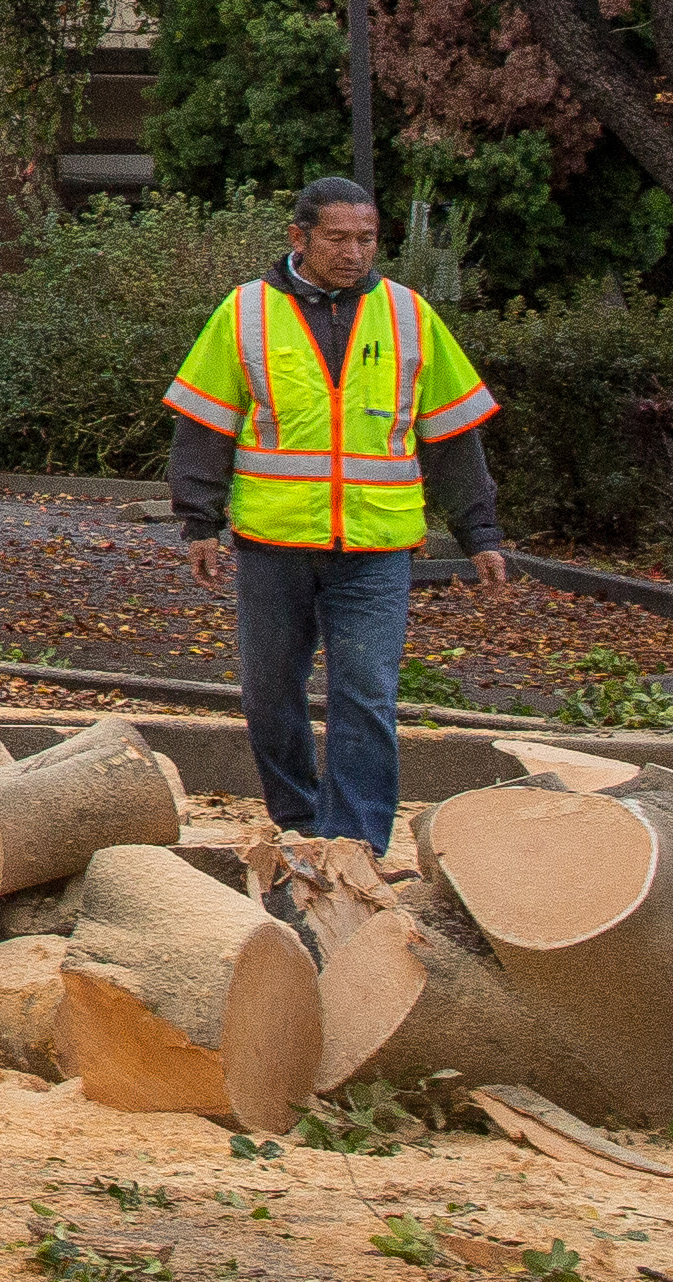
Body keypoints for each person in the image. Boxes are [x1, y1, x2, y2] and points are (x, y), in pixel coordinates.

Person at [165, 176, 508, 855]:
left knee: (366, 695)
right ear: (299, 238)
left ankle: (354, 845)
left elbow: (451, 436)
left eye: (366, 239)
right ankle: (297, 821)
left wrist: (480, 533)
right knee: (269, 696)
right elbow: (203, 427)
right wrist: (199, 523)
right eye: (337, 239)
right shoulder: (245, 313)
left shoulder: (408, 315)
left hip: (377, 546)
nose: (354, 253)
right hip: (273, 542)